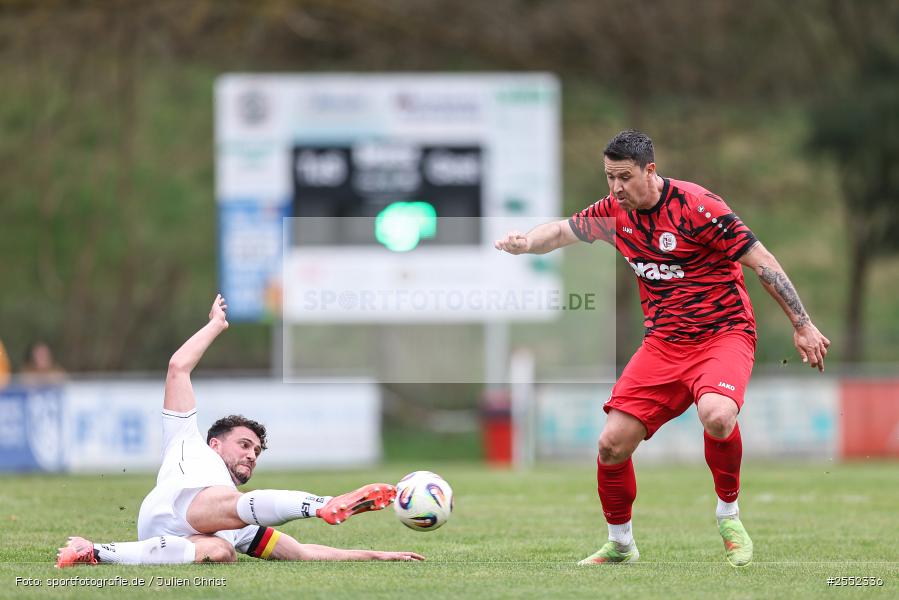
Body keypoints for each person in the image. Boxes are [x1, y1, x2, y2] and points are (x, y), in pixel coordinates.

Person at [495, 130, 830, 567]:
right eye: (609, 177)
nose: (616, 188)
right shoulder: (614, 212)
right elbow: (560, 231)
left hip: (723, 334)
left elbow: (762, 261)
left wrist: (802, 325)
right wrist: (528, 244)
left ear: (650, 171)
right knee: (611, 445)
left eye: (624, 177)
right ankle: (620, 544)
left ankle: (728, 514)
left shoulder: (697, 206)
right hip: (664, 345)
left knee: (717, 414)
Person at [57, 294, 423, 567]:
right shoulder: (185, 437)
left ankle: (94, 551)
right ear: (215, 442)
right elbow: (178, 368)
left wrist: (376, 555)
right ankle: (324, 505)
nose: (251, 454)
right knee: (232, 506)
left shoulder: (241, 524)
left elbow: (302, 552)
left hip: (166, 539)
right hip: (175, 504)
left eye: (257, 452)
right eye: (245, 444)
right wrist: (216, 325)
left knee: (223, 552)